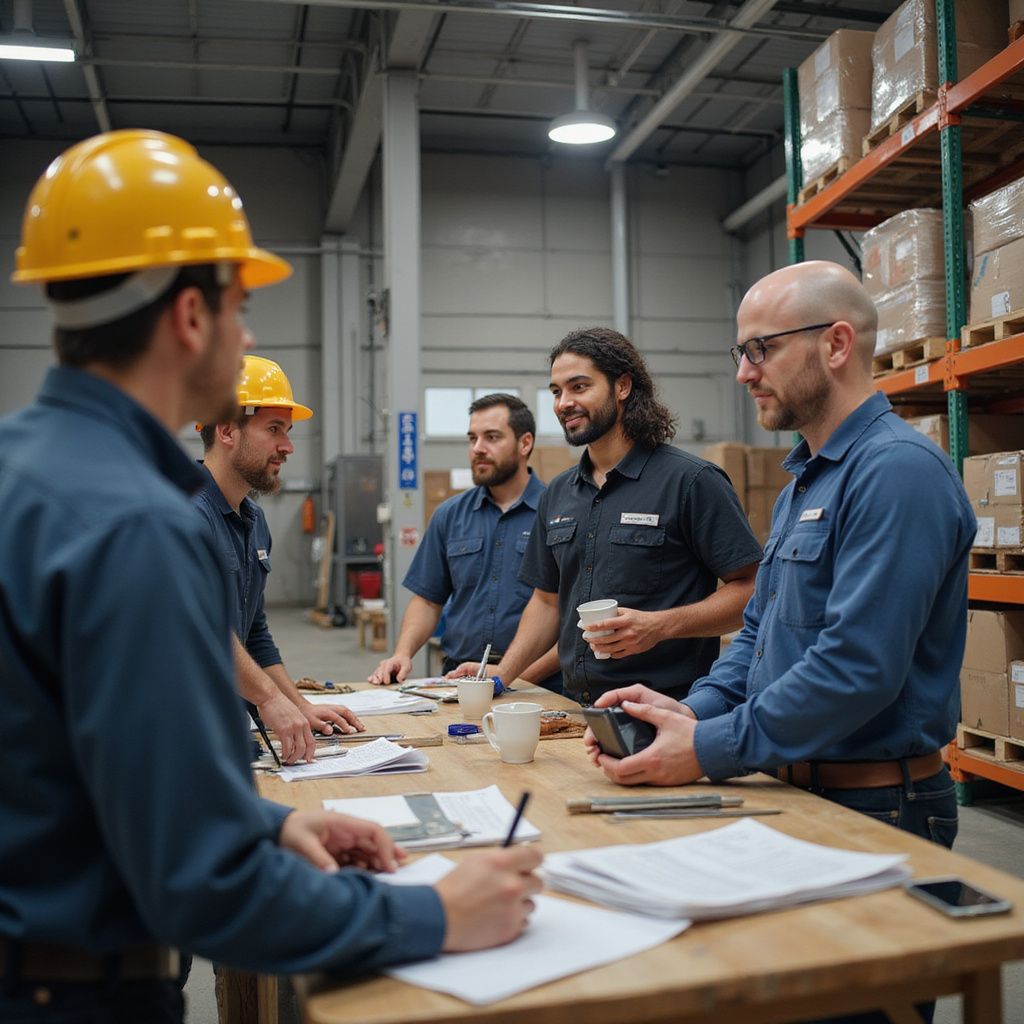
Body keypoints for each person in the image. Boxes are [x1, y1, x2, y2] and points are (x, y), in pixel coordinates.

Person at [0, 129, 540, 1023]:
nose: (246, 333)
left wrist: (275, 821)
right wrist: (432, 911)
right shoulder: (139, 524)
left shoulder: (29, 471)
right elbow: (204, 888)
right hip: (69, 992)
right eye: (241, 307)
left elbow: (83, 769)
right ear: (188, 316)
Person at [587, 261, 974, 849]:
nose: (744, 373)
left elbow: (856, 669)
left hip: (878, 806)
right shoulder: (804, 483)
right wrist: (693, 713)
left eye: (761, 349)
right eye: (740, 352)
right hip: (792, 788)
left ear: (836, 344)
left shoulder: (897, 472)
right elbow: (758, 634)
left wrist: (706, 749)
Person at [454, 328, 762, 706]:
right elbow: (547, 602)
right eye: (556, 391)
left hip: (666, 709)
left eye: (579, 387)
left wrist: (658, 627)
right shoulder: (559, 494)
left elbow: (751, 591)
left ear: (622, 386)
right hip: (573, 708)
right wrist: (502, 674)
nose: (563, 403)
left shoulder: (691, 482)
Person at [196, 355, 364, 764]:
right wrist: (270, 700)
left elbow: (253, 635)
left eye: (287, 431)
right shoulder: (182, 516)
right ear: (226, 430)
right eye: (274, 429)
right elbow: (198, 630)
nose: (288, 447)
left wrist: (298, 705)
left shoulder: (254, 522)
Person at [369, 393, 561, 690]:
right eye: (472, 438)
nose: (478, 449)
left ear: (525, 444)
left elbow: (566, 616)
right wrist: (403, 652)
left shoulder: (559, 514)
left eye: (492, 437)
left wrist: (512, 677)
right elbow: (428, 599)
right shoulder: (449, 515)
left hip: (538, 683)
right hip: (461, 676)